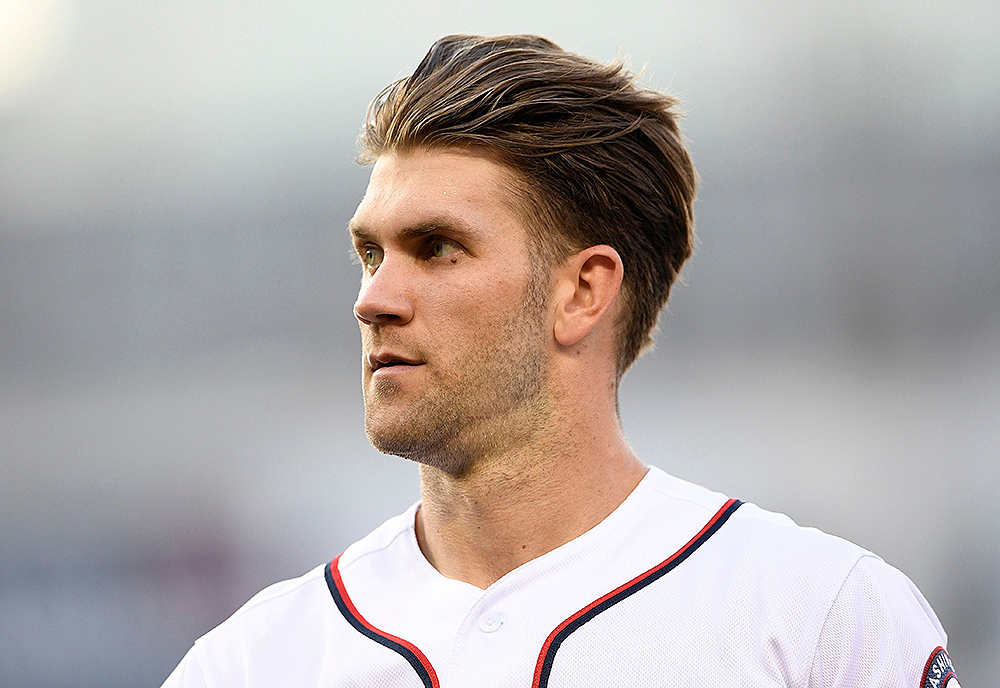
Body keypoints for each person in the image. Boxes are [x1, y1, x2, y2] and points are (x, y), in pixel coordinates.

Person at [162, 34, 959, 688]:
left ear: (582, 291)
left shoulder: (823, 619)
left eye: (436, 248)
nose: (374, 299)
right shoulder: (250, 663)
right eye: (370, 253)